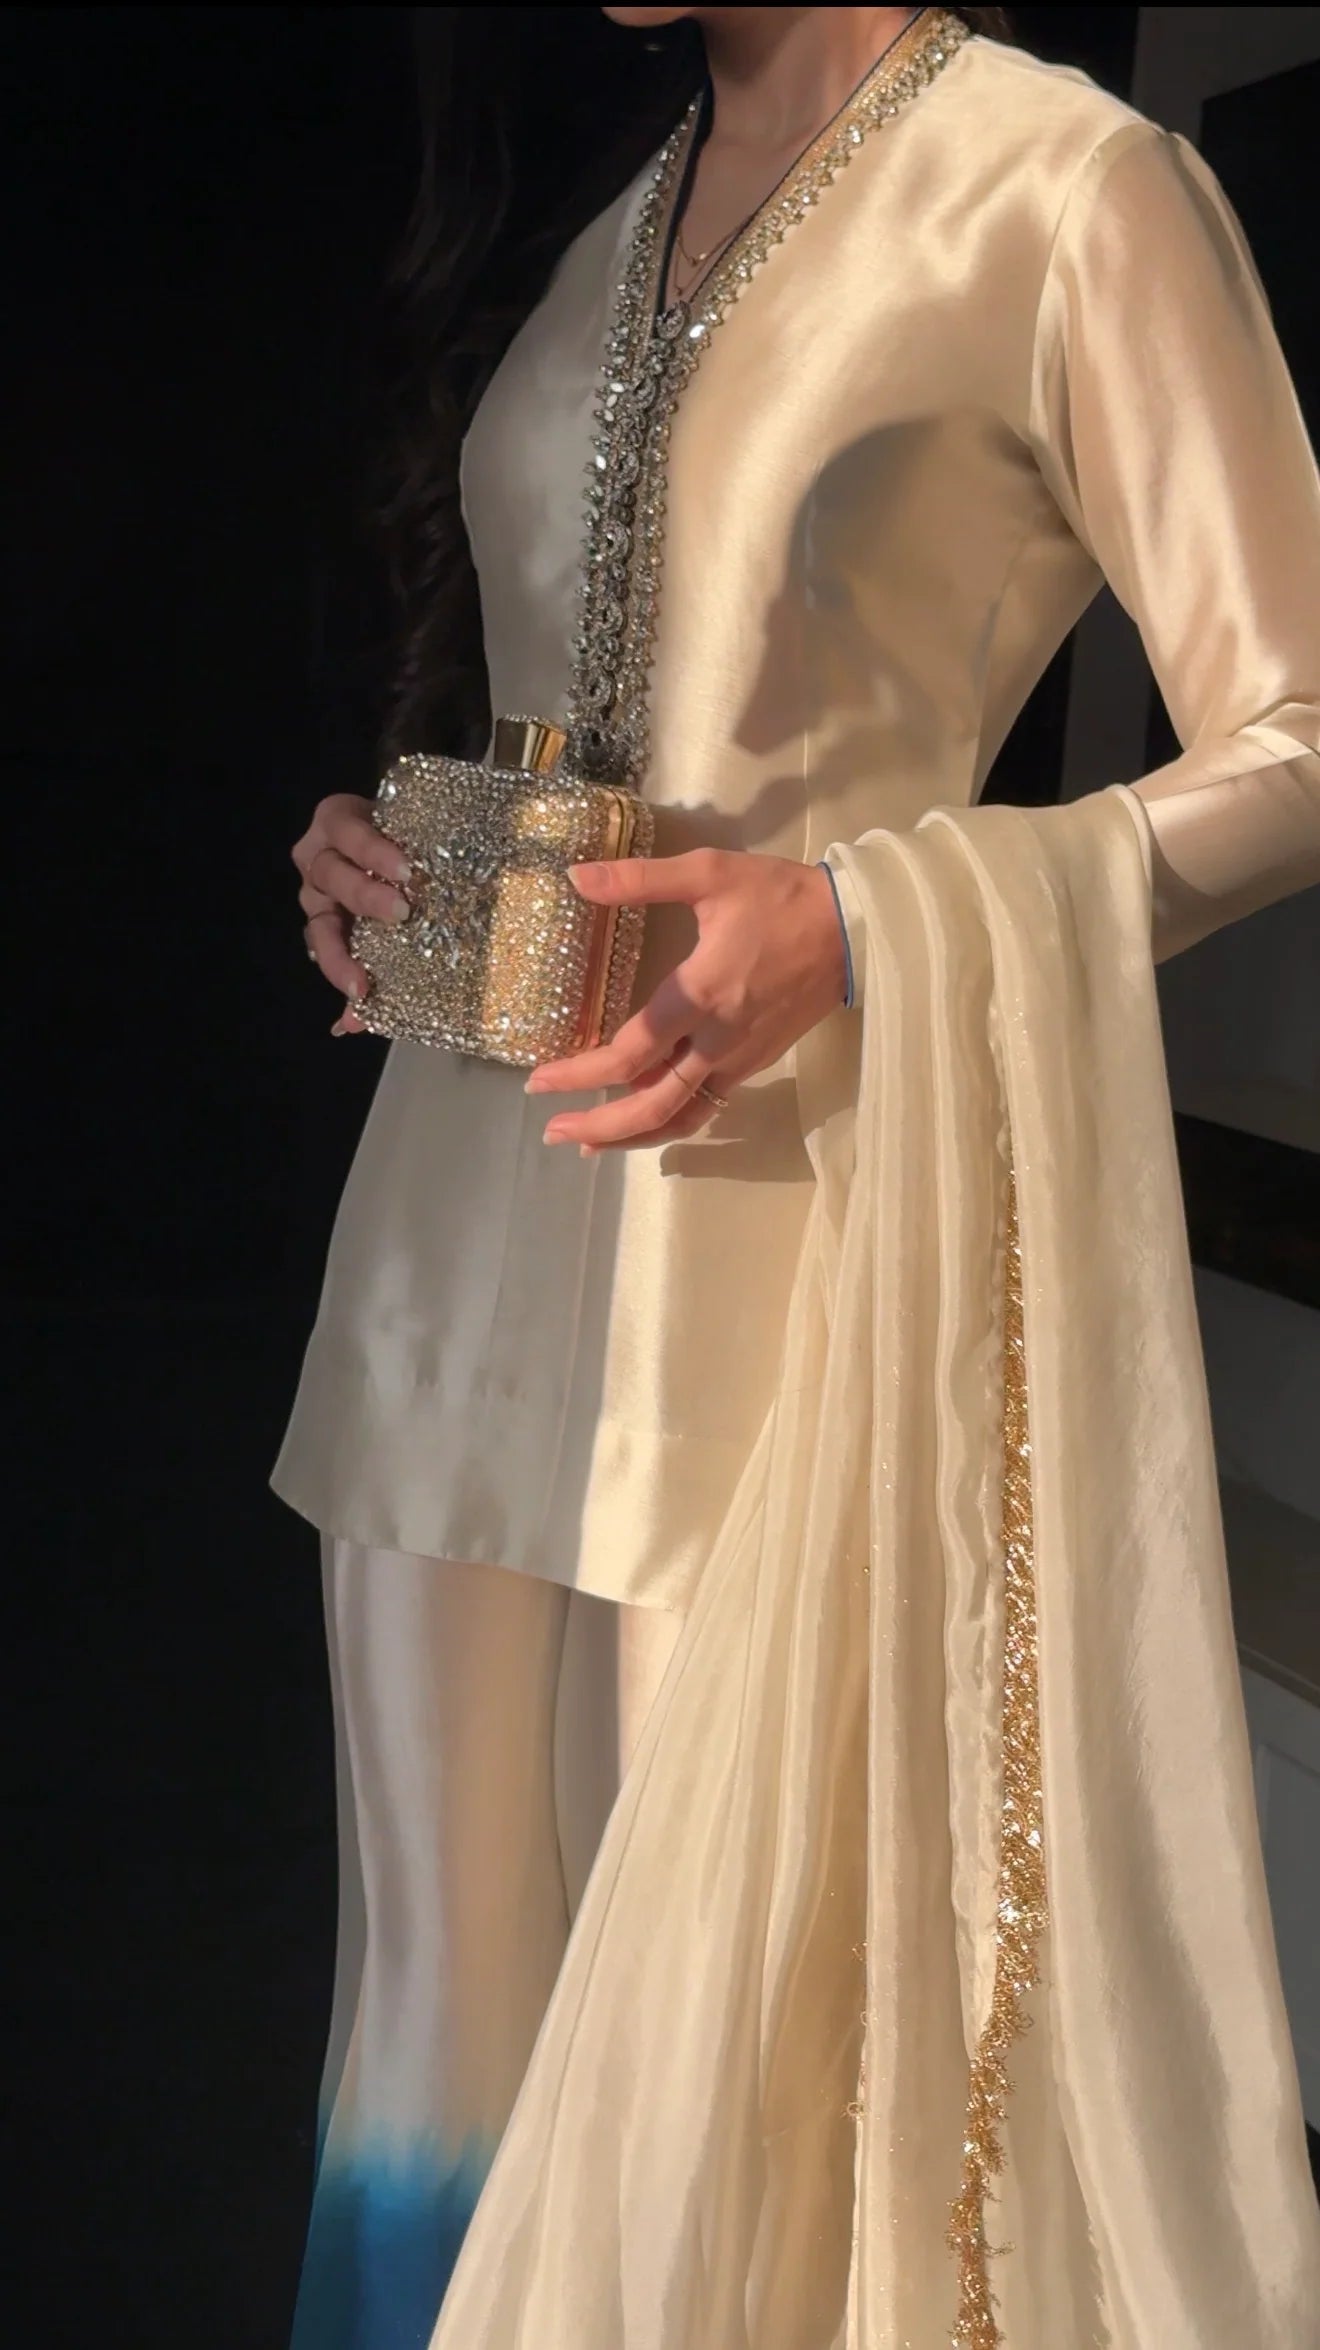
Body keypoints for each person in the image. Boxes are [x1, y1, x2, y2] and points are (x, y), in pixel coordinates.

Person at [273, 9, 1320, 2346]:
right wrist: (401, 855)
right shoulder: (619, 214)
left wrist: (862, 918)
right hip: (457, 1230)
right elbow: (589, 699)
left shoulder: (1066, 192)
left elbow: (1305, 727)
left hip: (776, 1257)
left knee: (704, 2072)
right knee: (429, 2027)